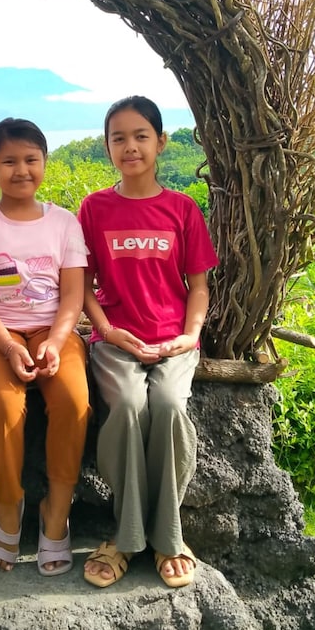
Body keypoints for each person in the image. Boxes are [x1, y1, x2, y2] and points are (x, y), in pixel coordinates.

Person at [77, 96, 218, 589]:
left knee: (170, 406)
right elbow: (83, 286)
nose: (130, 147)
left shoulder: (181, 208)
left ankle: (168, 538)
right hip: (116, 340)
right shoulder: (94, 208)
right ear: (107, 147)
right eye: (118, 138)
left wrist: (190, 335)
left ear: (161, 142)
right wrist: (108, 330)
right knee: (129, 405)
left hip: (174, 340)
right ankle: (126, 535)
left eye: (141, 136)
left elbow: (198, 286)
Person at [0, 118, 90, 575]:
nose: (21, 170)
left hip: (54, 330)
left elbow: (72, 296)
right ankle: (8, 506)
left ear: (44, 163)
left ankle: (57, 511)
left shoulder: (64, 223)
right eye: (8, 161)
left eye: (31, 159)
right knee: (5, 407)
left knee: (73, 401)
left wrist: (56, 341)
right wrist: (10, 348)